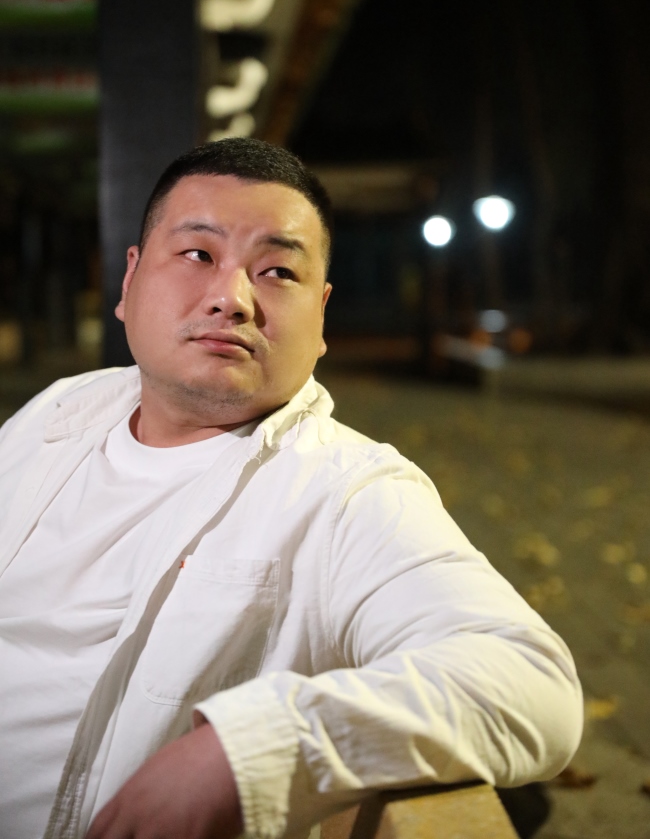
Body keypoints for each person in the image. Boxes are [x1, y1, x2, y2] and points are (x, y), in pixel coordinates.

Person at [0, 139, 582, 839]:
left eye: (277, 271)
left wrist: (248, 753)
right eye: (198, 254)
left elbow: (528, 681)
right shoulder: (60, 412)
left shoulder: (345, 493)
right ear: (128, 282)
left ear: (321, 313)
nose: (232, 298)